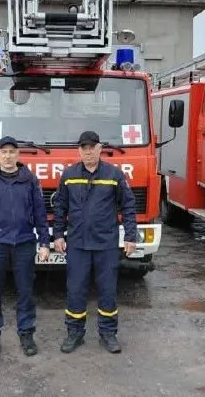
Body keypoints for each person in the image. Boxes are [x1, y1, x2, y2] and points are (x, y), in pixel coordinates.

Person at [53, 130, 137, 354]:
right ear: (79, 151)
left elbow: (128, 206)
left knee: (107, 290)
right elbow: (60, 208)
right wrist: (58, 235)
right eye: (84, 148)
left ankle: (108, 334)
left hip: (106, 244)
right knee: (75, 290)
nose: (88, 152)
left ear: (100, 149)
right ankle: (74, 334)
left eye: (92, 148)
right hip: (78, 244)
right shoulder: (69, 175)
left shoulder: (114, 175)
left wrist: (130, 236)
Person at [0, 136, 50, 361]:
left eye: (12, 152)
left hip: (24, 243)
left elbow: (40, 214)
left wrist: (44, 242)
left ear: (18, 155)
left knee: (26, 292)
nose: (8, 156)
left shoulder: (30, 180)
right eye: (3, 152)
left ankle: (26, 334)